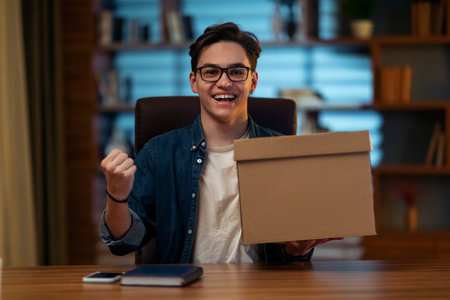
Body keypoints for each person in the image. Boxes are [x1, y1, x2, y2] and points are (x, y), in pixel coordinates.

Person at [100, 22, 337, 264]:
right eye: (211, 72)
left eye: (236, 72)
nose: (224, 83)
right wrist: (116, 196)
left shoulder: (285, 152)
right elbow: (124, 243)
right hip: (185, 289)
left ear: (253, 81)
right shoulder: (158, 153)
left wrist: (297, 251)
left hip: (262, 290)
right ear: (194, 82)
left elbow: (291, 252)